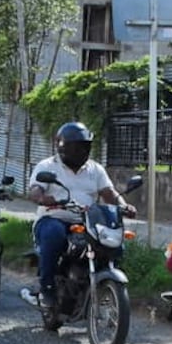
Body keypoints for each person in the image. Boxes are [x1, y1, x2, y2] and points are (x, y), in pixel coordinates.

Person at [27, 121, 136, 308]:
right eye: (77, 147)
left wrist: (123, 206)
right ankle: (47, 288)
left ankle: (106, 283)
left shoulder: (95, 169)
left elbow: (109, 193)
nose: (82, 151)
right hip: (54, 218)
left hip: (87, 221)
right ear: (64, 147)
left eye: (85, 146)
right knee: (54, 236)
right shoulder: (47, 166)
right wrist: (43, 198)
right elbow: (35, 190)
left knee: (114, 243)